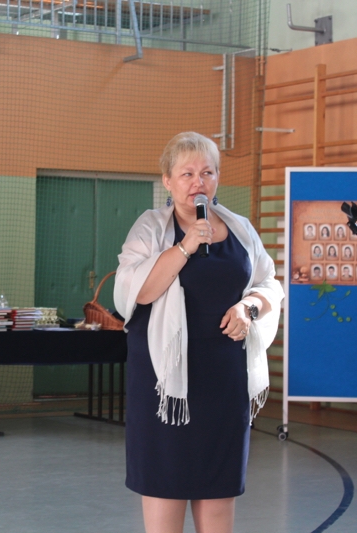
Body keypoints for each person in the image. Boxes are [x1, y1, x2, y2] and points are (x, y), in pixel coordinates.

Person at [114, 132, 283, 533]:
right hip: (165, 386)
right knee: (166, 490)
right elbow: (136, 293)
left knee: (218, 495)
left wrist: (249, 307)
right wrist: (185, 246)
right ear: (168, 181)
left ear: (217, 179)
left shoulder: (240, 228)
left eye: (207, 172)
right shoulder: (150, 227)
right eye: (187, 173)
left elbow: (269, 283)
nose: (198, 182)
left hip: (224, 381)